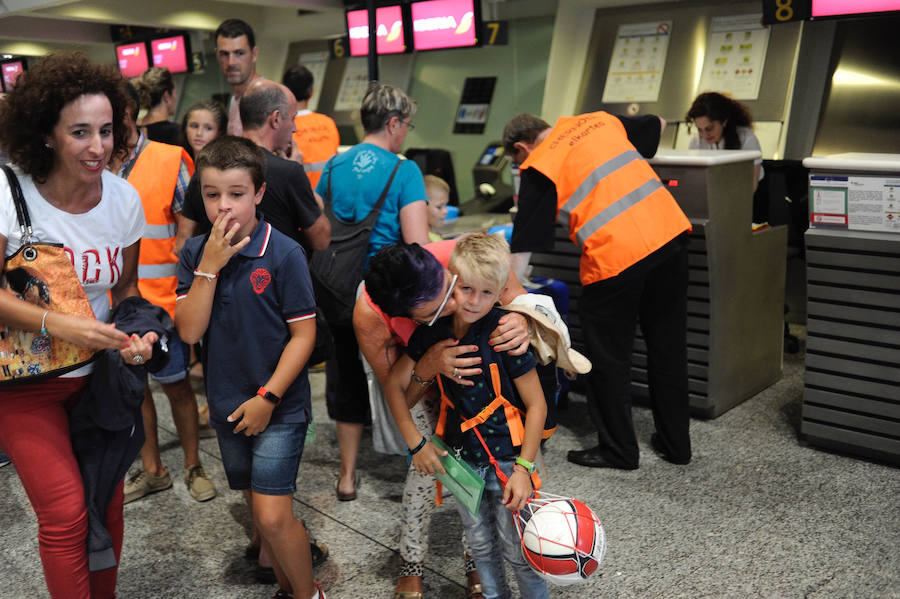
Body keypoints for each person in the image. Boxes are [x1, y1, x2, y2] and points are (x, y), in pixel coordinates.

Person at [0, 51, 157, 599]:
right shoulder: (9, 191)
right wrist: (61, 324)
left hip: (100, 381)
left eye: (107, 130)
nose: (98, 147)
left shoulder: (123, 199)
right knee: (66, 513)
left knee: (106, 503)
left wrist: (139, 334)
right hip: (26, 386)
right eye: (80, 132)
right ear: (47, 134)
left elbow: (127, 289)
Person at [175, 135, 325, 599]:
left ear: (259, 193)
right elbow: (189, 331)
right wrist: (209, 266)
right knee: (258, 511)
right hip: (227, 402)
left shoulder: (283, 253)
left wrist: (268, 397)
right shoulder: (194, 252)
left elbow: (304, 336)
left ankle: (308, 593)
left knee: (274, 517)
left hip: (279, 405)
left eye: (236, 193)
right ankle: (287, 587)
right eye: (212, 194)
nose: (224, 205)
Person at [503, 111, 693, 470]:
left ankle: (618, 450)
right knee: (668, 347)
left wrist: (508, 297)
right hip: (670, 238)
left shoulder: (538, 164)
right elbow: (659, 123)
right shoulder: (598, 120)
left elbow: (523, 250)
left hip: (615, 258)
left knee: (607, 357)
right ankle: (677, 445)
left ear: (521, 148)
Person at [358, 240, 531, 599]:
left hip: (481, 377)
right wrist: (427, 371)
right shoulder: (370, 317)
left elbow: (519, 298)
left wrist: (521, 319)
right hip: (417, 371)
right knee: (428, 467)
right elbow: (400, 396)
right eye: (436, 312)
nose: (459, 306)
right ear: (408, 317)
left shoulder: (465, 254)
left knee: (480, 465)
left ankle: (476, 559)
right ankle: (411, 562)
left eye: (454, 289)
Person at [317, 82, 429, 502]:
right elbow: (417, 243)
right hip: (383, 295)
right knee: (397, 375)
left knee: (345, 376)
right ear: (394, 123)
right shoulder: (405, 170)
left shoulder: (333, 165)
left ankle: (347, 476)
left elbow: (318, 226)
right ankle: (415, 458)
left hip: (336, 291)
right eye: (407, 125)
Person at [114, 81, 217, 505]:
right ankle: (153, 468)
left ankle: (193, 465)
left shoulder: (169, 159)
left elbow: (188, 233)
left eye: (114, 115)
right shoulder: (93, 164)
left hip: (163, 303)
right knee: (135, 391)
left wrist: (188, 295)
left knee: (177, 387)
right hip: (116, 307)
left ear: (132, 112)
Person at [179, 80, 330, 253]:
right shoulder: (288, 172)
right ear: (276, 119)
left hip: (214, 268)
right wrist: (297, 171)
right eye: (292, 118)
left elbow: (182, 244)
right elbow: (321, 240)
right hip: (274, 270)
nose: (294, 128)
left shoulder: (207, 168)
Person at [686, 91, 764, 191]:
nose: (704, 135)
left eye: (709, 129)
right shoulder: (696, 142)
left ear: (724, 121)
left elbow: (751, 186)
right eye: (699, 129)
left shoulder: (746, 139)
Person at [282, 64, 339, 190]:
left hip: (301, 194)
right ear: (312, 92)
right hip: (329, 194)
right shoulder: (328, 123)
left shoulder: (283, 127)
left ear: (285, 92)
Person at [215, 18, 262, 136]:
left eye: (239, 53)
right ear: (217, 56)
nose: (231, 62)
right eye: (224, 54)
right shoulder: (235, 100)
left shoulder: (267, 97)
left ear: (254, 54)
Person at [134, 66, 182, 146]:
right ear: (166, 96)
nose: (176, 97)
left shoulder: (133, 130)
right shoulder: (178, 133)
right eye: (175, 92)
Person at [423, 174, 449, 242]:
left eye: (445, 205)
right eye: (439, 207)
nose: (446, 211)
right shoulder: (425, 239)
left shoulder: (435, 234)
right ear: (422, 207)